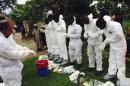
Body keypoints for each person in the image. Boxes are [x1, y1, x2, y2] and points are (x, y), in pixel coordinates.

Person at [0, 14, 36, 86]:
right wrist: (27, 53)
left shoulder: (6, 35)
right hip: (8, 70)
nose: (11, 28)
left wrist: (24, 49)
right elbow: (12, 54)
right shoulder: (1, 40)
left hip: (14, 67)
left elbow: (14, 46)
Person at [96, 16, 127, 80]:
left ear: (104, 23)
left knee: (120, 63)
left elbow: (119, 36)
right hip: (113, 46)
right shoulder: (104, 26)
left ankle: (121, 78)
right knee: (112, 60)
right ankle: (111, 74)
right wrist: (103, 43)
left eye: (102, 27)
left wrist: (107, 41)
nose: (102, 29)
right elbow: (109, 36)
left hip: (120, 46)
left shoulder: (115, 25)